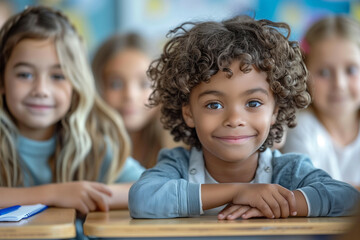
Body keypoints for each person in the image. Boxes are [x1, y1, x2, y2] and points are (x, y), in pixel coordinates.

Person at [128, 15, 360, 219]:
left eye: (253, 103)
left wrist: (278, 204)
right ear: (188, 112)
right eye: (214, 104)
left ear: (275, 111)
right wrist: (239, 192)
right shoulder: (177, 166)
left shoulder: (288, 172)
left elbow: (348, 198)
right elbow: (143, 199)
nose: (235, 119)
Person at [0, 6, 145, 213]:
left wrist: (86, 194)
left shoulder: (93, 146)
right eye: (25, 75)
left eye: (58, 76)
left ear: (76, 86)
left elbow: (149, 188)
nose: (41, 90)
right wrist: (55, 194)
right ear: (2, 81)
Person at [281, 16, 360, 190]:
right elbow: (308, 190)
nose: (339, 84)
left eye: (351, 70)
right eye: (324, 72)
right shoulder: (300, 128)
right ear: (304, 76)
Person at [92, 33, 180, 168]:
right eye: (115, 84)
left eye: (145, 84)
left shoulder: (181, 151)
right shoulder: (85, 149)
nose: (130, 95)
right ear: (97, 87)